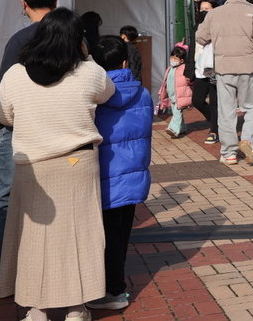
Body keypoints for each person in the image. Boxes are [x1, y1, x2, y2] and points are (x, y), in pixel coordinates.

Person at [0, 8, 116, 320]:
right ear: (79, 41)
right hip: (78, 163)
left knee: (33, 240)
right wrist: (87, 57)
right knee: (80, 237)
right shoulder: (89, 72)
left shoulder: (15, 74)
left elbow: (3, 116)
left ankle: (36, 310)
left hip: (32, 167)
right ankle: (77, 308)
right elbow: (109, 94)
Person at [0, 0, 57, 298]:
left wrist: (1, 122)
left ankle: (0, 275)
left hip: (18, 130)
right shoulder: (72, 36)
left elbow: (3, 95)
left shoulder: (20, 40)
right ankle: (52, 270)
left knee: (0, 201)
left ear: (23, 4)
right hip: (62, 131)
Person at [89, 36, 153, 312]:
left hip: (98, 176)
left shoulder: (93, 95)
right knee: (119, 237)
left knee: (97, 238)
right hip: (130, 178)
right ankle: (116, 289)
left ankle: (101, 289)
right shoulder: (143, 94)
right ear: (125, 61)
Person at [196, 0, 253, 165]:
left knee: (226, 111)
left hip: (224, 68)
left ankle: (229, 152)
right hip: (249, 66)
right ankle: (248, 140)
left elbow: (200, 37)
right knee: (252, 108)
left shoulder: (215, 14)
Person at [186, 4, 219, 145]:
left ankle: (214, 130)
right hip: (200, 68)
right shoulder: (197, 27)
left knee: (214, 101)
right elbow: (193, 48)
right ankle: (215, 121)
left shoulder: (218, 25)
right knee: (197, 100)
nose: (203, 11)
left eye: (207, 8)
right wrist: (189, 70)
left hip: (215, 67)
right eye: (201, 9)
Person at [158, 44, 193, 138]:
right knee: (176, 112)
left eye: (175, 58)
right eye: (172, 57)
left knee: (177, 113)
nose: (173, 59)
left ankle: (173, 129)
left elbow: (188, 81)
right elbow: (166, 82)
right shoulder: (170, 69)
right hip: (172, 95)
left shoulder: (183, 68)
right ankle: (182, 128)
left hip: (180, 96)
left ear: (181, 60)